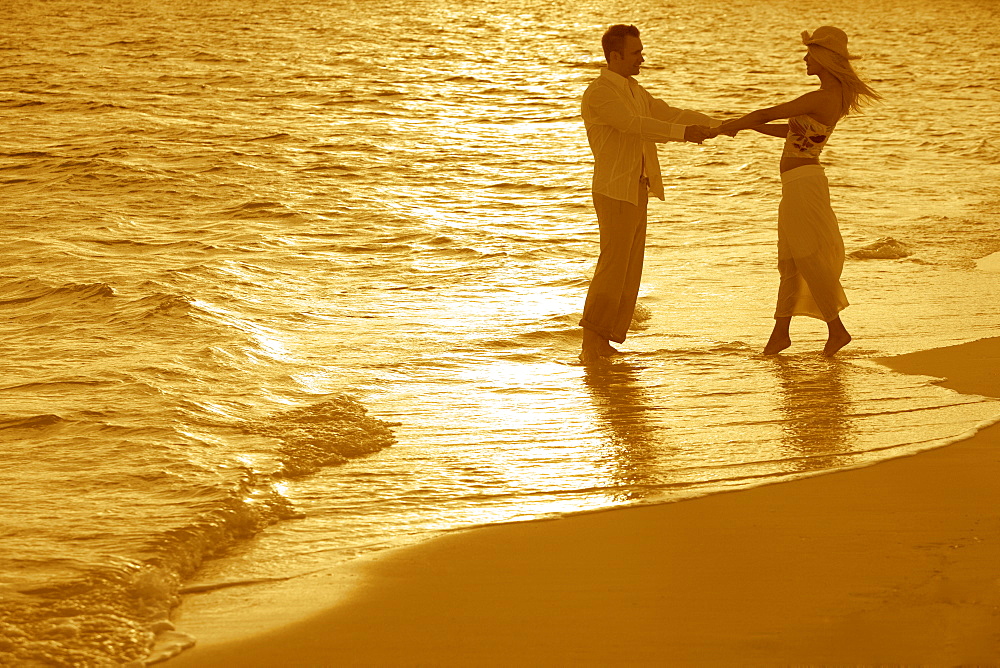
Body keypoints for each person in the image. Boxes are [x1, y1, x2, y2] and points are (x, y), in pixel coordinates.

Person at [715, 26, 881, 356]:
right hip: (798, 185)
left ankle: (836, 329)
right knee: (790, 261)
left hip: (804, 186)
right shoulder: (827, 97)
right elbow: (790, 132)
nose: (805, 58)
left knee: (805, 256)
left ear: (823, 57)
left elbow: (769, 112)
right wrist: (745, 127)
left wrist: (729, 124)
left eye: (810, 53)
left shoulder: (821, 97)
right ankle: (780, 333)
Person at [579, 24, 719, 364]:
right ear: (615, 56)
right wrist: (685, 133)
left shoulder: (634, 89)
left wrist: (721, 123)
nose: (643, 57)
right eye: (636, 52)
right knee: (613, 266)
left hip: (637, 188)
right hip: (614, 189)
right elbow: (633, 125)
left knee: (629, 268)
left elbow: (666, 113)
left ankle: (605, 339)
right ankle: (590, 342)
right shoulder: (600, 92)